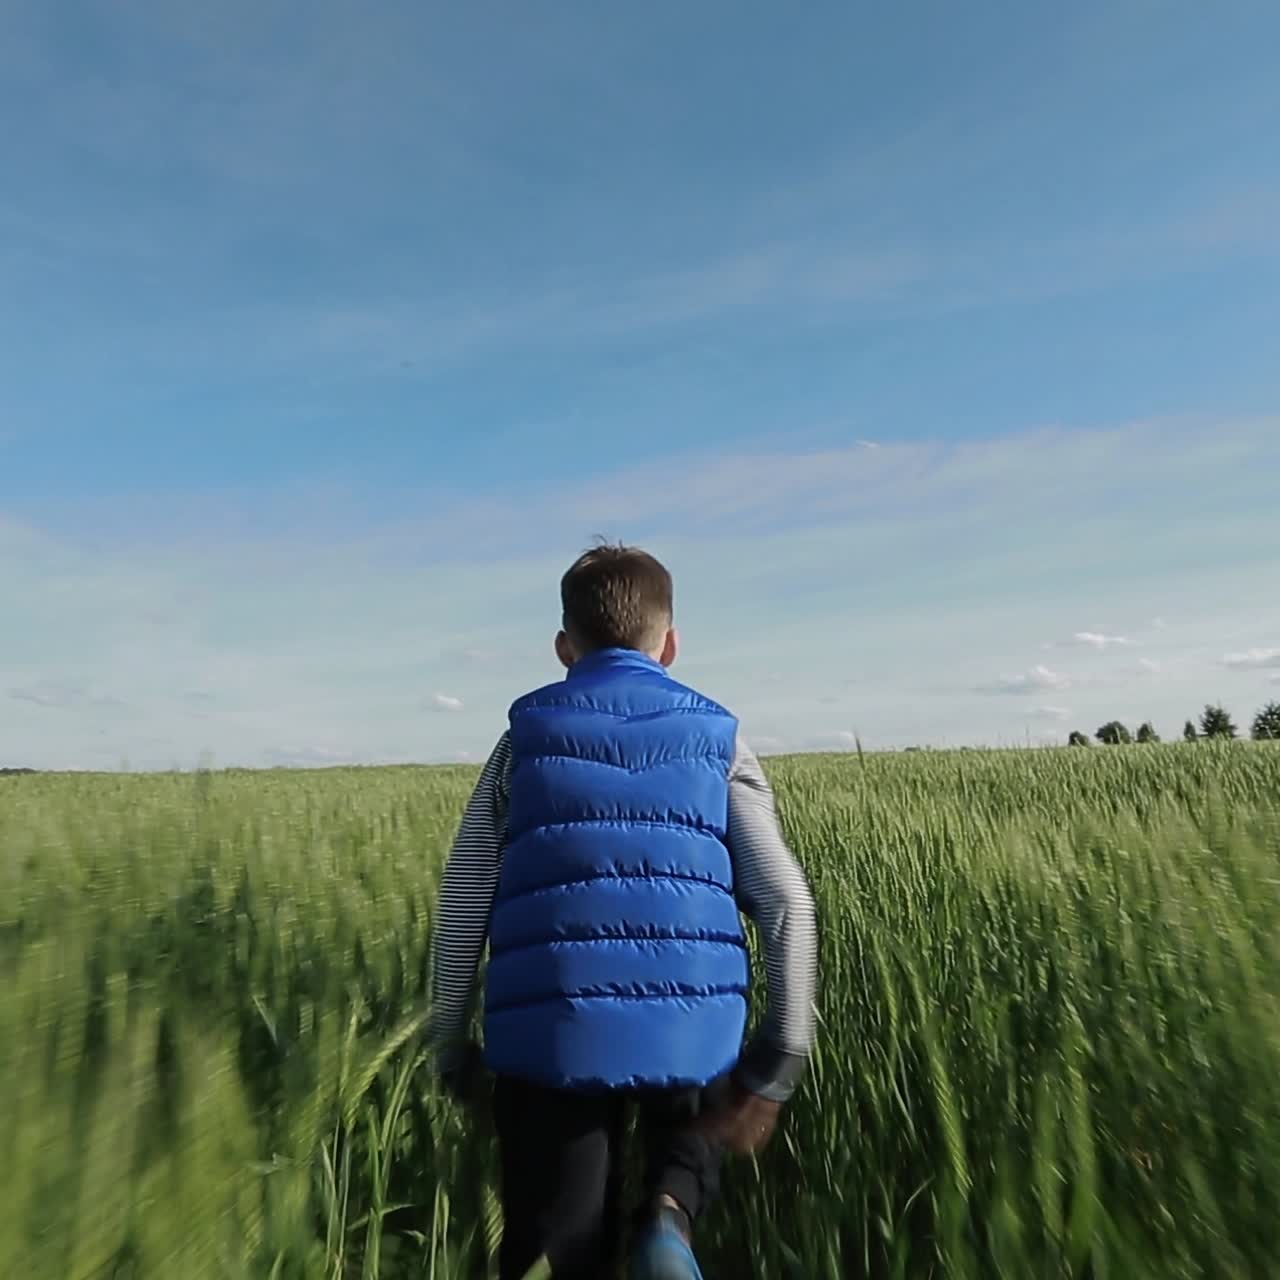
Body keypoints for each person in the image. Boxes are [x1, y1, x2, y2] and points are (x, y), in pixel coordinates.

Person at [427, 543, 818, 1280]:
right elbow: (788, 904)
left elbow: (464, 897)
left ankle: (572, 1247)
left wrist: (450, 1040)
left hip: (553, 1035)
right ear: (669, 645)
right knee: (696, 1094)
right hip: (692, 1029)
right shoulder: (720, 738)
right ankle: (670, 1215)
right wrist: (778, 1059)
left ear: (564, 648)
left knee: (559, 1235)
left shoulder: (523, 742)